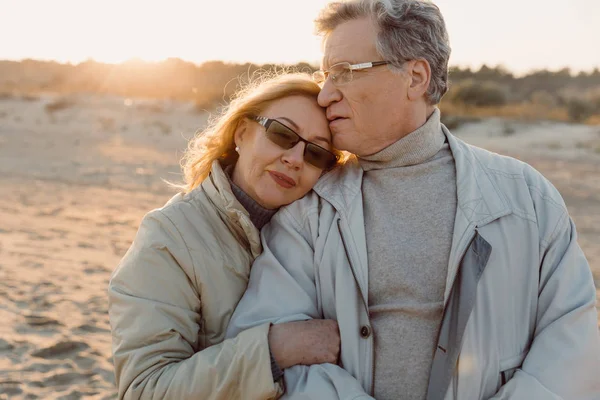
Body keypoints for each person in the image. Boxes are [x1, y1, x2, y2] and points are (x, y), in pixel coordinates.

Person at [226, 1, 600, 399]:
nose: (324, 95)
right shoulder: (308, 209)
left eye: (343, 73)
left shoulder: (526, 198)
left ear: (415, 77)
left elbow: (570, 345)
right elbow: (275, 349)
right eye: (325, 76)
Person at [108, 73, 346, 400]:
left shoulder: (330, 238)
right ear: (243, 133)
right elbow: (145, 389)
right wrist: (274, 350)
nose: (294, 159)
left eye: (316, 153)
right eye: (281, 134)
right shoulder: (170, 237)